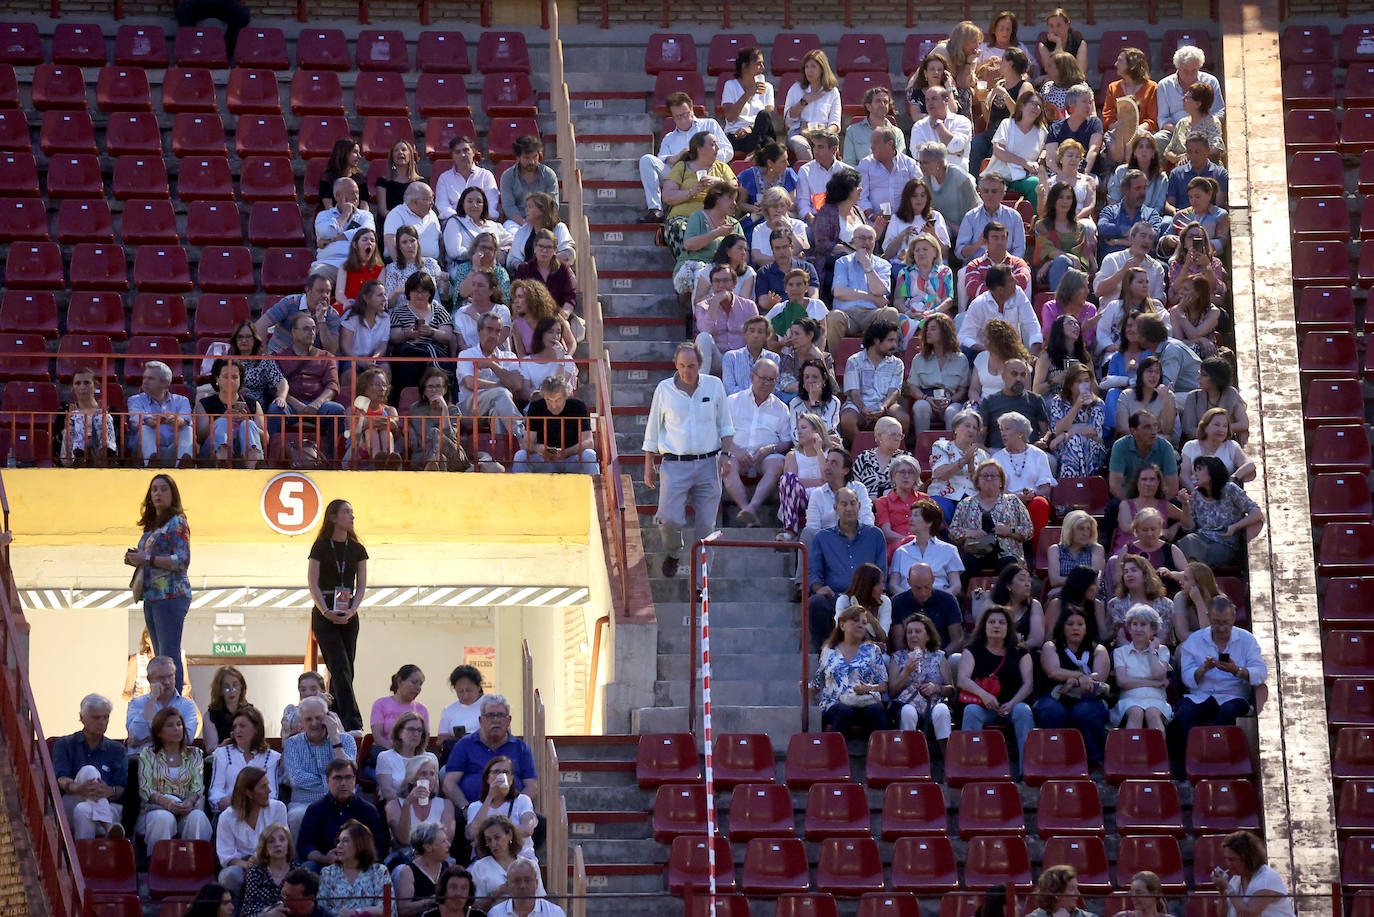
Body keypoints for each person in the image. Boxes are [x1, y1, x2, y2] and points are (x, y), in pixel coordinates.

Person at [642, 341, 737, 578]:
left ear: (700, 365)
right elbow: (653, 428)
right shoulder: (664, 389)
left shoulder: (714, 386)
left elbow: (726, 425)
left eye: (692, 366)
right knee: (668, 520)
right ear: (676, 364)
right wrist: (648, 464)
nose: (687, 371)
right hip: (674, 464)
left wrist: (726, 455)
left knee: (706, 529)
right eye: (682, 365)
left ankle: (700, 585)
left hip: (708, 463)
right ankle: (674, 552)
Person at [125, 475, 193, 692]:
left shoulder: (177, 522)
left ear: (173, 494)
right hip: (152, 595)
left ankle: (173, 698)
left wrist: (147, 558)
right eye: (154, 489)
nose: (158, 494)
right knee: (159, 655)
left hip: (171, 594)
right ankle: (163, 696)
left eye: (164, 489)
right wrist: (135, 558)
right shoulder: (152, 527)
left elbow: (182, 560)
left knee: (169, 654)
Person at [307, 499, 369, 732]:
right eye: (346, 512)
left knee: (346, 668)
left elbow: (361, 585)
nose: (351, 516)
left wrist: (352, 609)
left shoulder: (357, 549)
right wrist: (325, 610)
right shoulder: (321, 546)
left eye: (352, 512)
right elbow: (312, 582)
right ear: (333, 517)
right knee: (339, 664)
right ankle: (353, 721)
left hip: (348, 611)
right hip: (325, 610)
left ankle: (334, 715)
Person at [957, 605, 1035, 775]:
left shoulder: (1021, 651)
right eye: (992, 622)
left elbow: (1028, 685)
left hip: (1012, 706)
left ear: (1008, 627)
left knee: (1024, 711)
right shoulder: (972, 650)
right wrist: (984, 695)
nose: (996, 626)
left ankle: (1027, 771)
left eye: (1001, 622)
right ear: (984, 626)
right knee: (971, 711)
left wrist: (1011, 704)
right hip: (984, 706)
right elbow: (962, 679)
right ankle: (972, 769)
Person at [807, 488, 887, 652]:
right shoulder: (822, 537)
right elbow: (813, 572)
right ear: (835, 508)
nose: (849, 508)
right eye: (844, 504)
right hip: (835, 596)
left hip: (867, 598)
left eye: (852, 503)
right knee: (815, 603)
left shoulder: (875, 535)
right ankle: (825, 653)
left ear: (859, 506)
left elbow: (881, 571)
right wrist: (818, 588)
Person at [1178, 597, 1269, 736]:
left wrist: (1236, 670)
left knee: (1227, 712)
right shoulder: (1195, 640)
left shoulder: (1247, 639)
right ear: (1208, 617)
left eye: (1225, 622)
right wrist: (1203, 669)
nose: (1221, 628)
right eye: (1216, 622)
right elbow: (1186, 677)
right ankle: (1192, 748)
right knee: (1184, 712)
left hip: (1233, 697)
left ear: (1233, 618)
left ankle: (1216, 747)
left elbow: (1261, 673)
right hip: (1201, 696)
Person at [637, 91, 734, 223]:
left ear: (692, 110)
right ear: (672, 117)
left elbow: (728, 151)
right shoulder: (669, 138)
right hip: (679, 175)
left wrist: (702, 159)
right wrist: (676, 157)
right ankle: (656, 209)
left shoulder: (709, 125)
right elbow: (660, 160)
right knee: (647, 160)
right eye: (677, 117)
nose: (682, 120)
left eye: (685, 114)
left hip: (706, 172)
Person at [1033, 607, 1110, 765]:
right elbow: (1053, 672)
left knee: (1085, 712)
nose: (1075, 628)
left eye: (1080, 624)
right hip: (1056, 695)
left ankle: (1095, 760)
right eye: (1070, 624)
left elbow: (1100, 676)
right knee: (1051, 711)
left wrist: (1075, 681)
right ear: (1062, 627)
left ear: (1086, 627)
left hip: (1089, 696)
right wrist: (1080, 676)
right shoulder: (1051, 647)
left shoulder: (1098, 649)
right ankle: (1052, 760)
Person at [443, 694, 539, 813]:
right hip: (472, 812)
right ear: (480, 720)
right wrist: (465, 809)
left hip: (512, 813)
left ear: (509, 720)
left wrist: (516, 808)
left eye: (501, 715)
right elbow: (449, 783)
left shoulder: (521, 748)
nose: (496, 720)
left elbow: (532, 786)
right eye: (490, 715)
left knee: (540, 821)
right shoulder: (464, 745)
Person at [721, 359, 790, 525]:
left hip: (765, 457)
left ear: (776, 381)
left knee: (777, 465)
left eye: (771, 380)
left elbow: (787, 441)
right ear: (752, 377)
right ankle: (745, 508)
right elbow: (719, 432)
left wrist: (770, 449)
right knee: (725, 463)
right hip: (736, 453)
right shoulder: (732, 401)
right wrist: (735, 450)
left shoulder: (781, 408)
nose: (766, 383)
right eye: (762, 378)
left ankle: (752, 507)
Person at [271, 311, 347, 462]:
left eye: (313, 328)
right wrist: (295, 404)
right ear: (294, 332)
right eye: (306, 329)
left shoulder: (326, 357)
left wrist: (317, 403)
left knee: (337, 410)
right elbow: (274, 386)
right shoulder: (278, 356)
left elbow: (332, 385)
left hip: (318, 404)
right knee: (275, 410)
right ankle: (273, 460)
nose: (311, 332)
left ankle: (334, 461)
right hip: (290, 403)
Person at [54, 693, 126, 840]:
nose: (102, 722)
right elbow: (60, 778)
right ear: (82, 718)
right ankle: (108, 825)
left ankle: (83, 854)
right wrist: (78, 788)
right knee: (89, 771)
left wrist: (109, 791)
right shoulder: (65, 744)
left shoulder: (116, 749)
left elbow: (120, 787)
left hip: (107, 805)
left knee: (83, 810)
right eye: (96, 718)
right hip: (72, 800)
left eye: (106, 717)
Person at [809, 606, 890, 736]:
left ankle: (884, 747)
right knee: (844, 712)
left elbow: (883, 685)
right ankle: (834, 748)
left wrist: (868, 688)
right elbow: (817, 682)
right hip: (836, 703)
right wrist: (807, 689)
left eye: (864, 622)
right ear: (842, 625)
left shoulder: (873, 650)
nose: (860, 625)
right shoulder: (829, 651)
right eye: (855, 621)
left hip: (864, 702)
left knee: (876, 711)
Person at [137, 707, 210, 846]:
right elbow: (145, 788)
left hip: (187, 809)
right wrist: (167, 803)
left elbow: (197, 787)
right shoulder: (148, 754)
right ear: (159, 732)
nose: (176, 729)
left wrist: (189, 802)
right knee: (163, 818)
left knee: (198, 817)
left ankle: (195, 858)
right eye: (170, 725)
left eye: (179, 724)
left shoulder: (195, 754)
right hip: (157, 808)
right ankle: (158, 859)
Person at [283, 695, 357, 834]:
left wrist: (335, 738)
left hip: (340, 801)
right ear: (301, 721)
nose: (314, 723)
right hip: (303, 803)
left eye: (319, 718)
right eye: (308, 719)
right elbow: (296, 778)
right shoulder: (292, 744)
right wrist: (333, 781)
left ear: (328, 717)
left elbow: (347, 774)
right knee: (296, 817)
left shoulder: (346, 740)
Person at [299, 760, 389, 871]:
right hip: (325, 864)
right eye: (337, 778)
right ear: (327, 781)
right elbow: (304, 845)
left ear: (355, 780)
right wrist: (324, 858)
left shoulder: (368, 810)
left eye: (348, 777)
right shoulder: (315, 810)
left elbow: (379, 845)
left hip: (361, 865)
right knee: (308, 867)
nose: (343, 783)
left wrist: (355, 858)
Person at [950, 459, 1034, 575]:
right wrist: (969, 533)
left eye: (994, 476)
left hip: (1007, 555)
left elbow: (1029, 530)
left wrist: (1009, 530)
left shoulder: (1013, 501)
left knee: (1010, 564)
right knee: (967, 562)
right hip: (975, 552)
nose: (989, 479)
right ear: (977, 481)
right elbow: (952, 531)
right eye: (985, 476)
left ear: (1001, 482)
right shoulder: (965, 504)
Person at [826, 225, 901, 355]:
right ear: (853, 241)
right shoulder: (842, 262)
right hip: (847, 314)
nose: (866, 242)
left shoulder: (883, 264)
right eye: (862, 238)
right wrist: (871, 298)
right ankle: (834, 361)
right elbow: (839, 292)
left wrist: (867, 264)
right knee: (834, 317)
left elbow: (879, 291)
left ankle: (889, 359)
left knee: (891, 313)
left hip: (873, 314)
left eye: (870, 239)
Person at [1178, 456, 1264, 567]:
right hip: (1202, 540)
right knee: (1187, 541)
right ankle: (1193, 571)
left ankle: (1194, 571)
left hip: (1224, 543)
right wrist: (1185, 505)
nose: (1195, 474)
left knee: (1197, 549)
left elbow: (1256, 513)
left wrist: (1235, 527)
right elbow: (1188, 528)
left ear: (1212, 470)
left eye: (1199, 469)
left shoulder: (1230, 489)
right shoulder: (1196, 495)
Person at [455, 312, 526, 440]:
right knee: (502, 393)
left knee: (497, 413)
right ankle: (522, 437)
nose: (493, 335)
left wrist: (493, 365)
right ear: (479, 330)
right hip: (469, 409)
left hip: (497, 407)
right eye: (489, 329)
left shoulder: (509, 356)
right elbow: (470, 383)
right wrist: (500, 385)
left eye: (497, 331)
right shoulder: (466, 355)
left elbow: (517, 384)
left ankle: (501, 451)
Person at [217, 766, 289, 892]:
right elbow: (226, 855)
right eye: (263, 787)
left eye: (268, 785)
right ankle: (233, 904)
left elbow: (284, 844)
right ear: (249, 793)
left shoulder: (278, 808)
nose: (269, 790)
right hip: (241, 865)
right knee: (230, 875)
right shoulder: (226, 817)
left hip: (272, 861)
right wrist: (247, 865)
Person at [838, 320, 908, 444]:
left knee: (903, 418)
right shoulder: (854, 361)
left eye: (895, 341)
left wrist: (884, 406)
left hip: (886, 405)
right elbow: (854, 392)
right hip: (858, 406)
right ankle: (861, 449)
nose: (894, 345)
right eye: (890, 340)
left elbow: (894, 391)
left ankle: (892, 450)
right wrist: (863, 408)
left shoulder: (897, 363)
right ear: (876, 341)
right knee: (847, 419)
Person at [992, 411, 1056, 543]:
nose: (1003, 433)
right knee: (1005, 505)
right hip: (1008, 502)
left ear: (1020, 433)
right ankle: (1010, 550)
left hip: (1033, 500)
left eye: (1007, 429)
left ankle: (1038, 549)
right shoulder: (996, 458)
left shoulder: (1038, 455)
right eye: (1001, 430)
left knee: (1040, 503)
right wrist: (1015, 497)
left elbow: (1046, 488)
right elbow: (995, 490)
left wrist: (1034, 494)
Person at [515, 375, 596, 475]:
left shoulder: (578, 406)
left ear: (566, 396)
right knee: (520, 456)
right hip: (545, 460)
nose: (553, 406)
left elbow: (589, 442)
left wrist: (564, 453)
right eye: (548, 400)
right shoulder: (536, 406)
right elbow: (526, 443)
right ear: (543, 397)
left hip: (571, 458)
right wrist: (538, 448)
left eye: (558, 400)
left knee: (589, 455)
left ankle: (594, 484)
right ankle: (520, 485)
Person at [195, 359, 267, 468]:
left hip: (242, 454)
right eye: (225, 377)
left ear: (240, 380)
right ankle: (223, 462)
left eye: (234, 377)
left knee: (248, 424)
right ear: (217, 379)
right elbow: (200, 437)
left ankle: (252, 466)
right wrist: (221, 418)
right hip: (211, 456)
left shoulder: (252, 403)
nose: (230, 381)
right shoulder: (204, 404)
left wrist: (246, 420)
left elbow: (266, 438)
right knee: (223, 422)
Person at [209, 705, 280, 814]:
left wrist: (248, 803)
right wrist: (223, 800)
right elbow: (215, 791)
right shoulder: (223, 754)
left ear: (256, 729)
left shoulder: (271, 757)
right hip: (230, 811)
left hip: (259, 813)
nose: (237, 730)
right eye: (235, 726)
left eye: (242, 726)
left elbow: (272, 795)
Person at [1111, 604, 1172, 731]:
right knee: (1136, 712)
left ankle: (1158, 745)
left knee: (1152, 714)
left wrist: (1151, 650)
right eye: (1134, 624)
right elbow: (1122, 681)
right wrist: (1154, 684)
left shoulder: (1162, 650)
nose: (1138, 629)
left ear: (1153, 629)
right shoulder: (1120, 652)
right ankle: (1132, 745)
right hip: (1129, 698)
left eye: (1143, 624)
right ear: (1129, 627)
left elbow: (1158, 675)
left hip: (1156, 699)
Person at [856, 125, 922, 241]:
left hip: (905, 222)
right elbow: (861, 196)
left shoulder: (909, 165)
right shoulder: (866, 164)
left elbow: (920, 192)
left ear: (890, 144)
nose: (871, 147)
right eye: (871, 143)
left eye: (876, 143)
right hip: (874, 224)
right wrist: (872, 216)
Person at [673, 183, 741, 295]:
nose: (734, 203)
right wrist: (717, 233)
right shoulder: (698, 217)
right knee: (703, 274)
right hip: (696, 266)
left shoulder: (734, 224)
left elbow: (744, 252)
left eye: (735, 200)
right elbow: (689, 244)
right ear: (717, 198)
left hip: (725, 269)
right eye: (730, 198)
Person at [692, 262, 759, 374]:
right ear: (712, 285)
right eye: (717, 281)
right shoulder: (702, 306)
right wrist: (715, 302)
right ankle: (703, 381)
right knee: (703, 337)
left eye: (726, 280)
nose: (721, 285)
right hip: (717, 359)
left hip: (741, 359)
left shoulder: (749, 306)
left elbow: (757, 337)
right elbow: (706, 330)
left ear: (734, 284)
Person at [512, 228, 580, 339]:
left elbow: (570, 297)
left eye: (549, 247)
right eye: (541, 246)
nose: (544, 251)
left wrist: (563, 315)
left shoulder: (562, 269)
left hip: (556, 319)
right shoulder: (524, 269)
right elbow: (516, 298)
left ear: (555, 250)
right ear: (534, 248)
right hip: (530, 318)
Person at [909, 313, 969, 435]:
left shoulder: (960, 359)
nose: (928, 332)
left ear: (945, 332)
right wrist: (926, 398)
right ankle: (921, 443)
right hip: (927, 398)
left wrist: (950, 400)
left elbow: (963, 389)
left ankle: (953, 445)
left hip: (950, 399)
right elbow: (912, 387)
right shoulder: (919, 359)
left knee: (953, 411)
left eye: (933, 329)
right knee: (921, 407)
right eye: (927, 329)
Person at [464, 756, 537, 857]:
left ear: (511, 779)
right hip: (488, 859)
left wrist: (491, 834)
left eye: (505, 772)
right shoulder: (475, 806)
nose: (501, 776)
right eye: (496, 772)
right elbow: (473, 832)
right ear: (488, 778)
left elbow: (527, 829)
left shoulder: (522, 800)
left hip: (520, 857)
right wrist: (490, 796)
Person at [1211, 832, 1295, 917]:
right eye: (1226, 859)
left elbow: (1249, 913)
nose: (1228, 864)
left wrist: (1228, 888)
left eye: (1232, 860)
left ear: (1247, 858)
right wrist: (1222, 891)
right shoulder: (1236, 880)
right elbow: (1222, 915)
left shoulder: (1267, 878)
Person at [962, 268, 1042, 358]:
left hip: (1014, 354)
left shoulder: (1018, 293)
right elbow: (964, 337)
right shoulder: (978, 304)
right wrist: (989, 351)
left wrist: (1034, 352)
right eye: (1011, 280)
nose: (1016, 282)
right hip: (985, 356)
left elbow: (1032, 323)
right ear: (1000, 289)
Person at [318, 819, 392, 916]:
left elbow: (387, 908)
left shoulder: (380, 871)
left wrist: (355, 912)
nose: (339, 845)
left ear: (360, 844)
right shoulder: (327, 873)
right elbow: (321, 909)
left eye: (345, 841)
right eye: (338, 841)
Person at [893, 233, 955, 347]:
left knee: (938, 322)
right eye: (917, 250)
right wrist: (908, 312)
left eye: (925, 249)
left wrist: (933, 312)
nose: (921, 253)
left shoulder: (945, 272)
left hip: (937, 312)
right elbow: (898, 301)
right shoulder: (905, 273)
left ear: (935, 252)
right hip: (911, 314)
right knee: (902, 321)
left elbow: (948, 300)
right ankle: (909, 353)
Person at [927, 409, 991, 519]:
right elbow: (941, 474)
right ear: (956, 428)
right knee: (939, 511)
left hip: (971, 498)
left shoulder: (982, 455)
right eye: (967, 426)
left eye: (975, 428)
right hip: (943, 495)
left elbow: (984, 485)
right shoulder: (942, 446)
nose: (971, 430)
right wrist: (963, 461)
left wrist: (971, 466)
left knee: (983, 515)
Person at [1046, 362, 1106, 477]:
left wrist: (1067, 435)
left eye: (1086, 380)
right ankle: (1074, 483)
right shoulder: (1059, 402)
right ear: (1070, 384)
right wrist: (1077, 406)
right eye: (1078, 381)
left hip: (1092, 446)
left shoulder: (1097, 403)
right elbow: (1057, 429)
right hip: (1064, 446)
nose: (1084, 384)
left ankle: (1070, 481)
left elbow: (1094, 430)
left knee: (1075, 440)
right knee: (1074, 442)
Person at [128, 361, 194, 466]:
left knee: (187, 429)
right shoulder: (134, 400)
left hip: (173, 449)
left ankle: (183, 465)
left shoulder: (182, 400)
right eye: (144, 377)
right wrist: (153, 420)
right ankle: (151, 463)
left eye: (150, 378)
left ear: (165, 383)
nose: (145, 382)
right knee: (145, 428)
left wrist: (178, 421)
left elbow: (186, 419)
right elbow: (136, 419)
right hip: (143, 450)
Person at [776, 411, 829, 542]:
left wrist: (819, 450)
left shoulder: (830, 453)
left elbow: (829, 480)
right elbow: (790, 484)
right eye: (798, 428)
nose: (799, 432)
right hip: (801, 501)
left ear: (817, 430)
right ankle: (790, 530)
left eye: (803, 428)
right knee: (787, 479)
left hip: (824, 499)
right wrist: (819, 481)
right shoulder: (792, 455)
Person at [987, 87, 1047, 201]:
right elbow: (998, 150)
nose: (1037, 108)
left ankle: (1037, 212)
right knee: (993, 186)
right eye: (1034, 103)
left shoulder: (1042, 131)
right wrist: (1024, 163)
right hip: (1000, 174)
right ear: (1022, 105)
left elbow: (1046, 148)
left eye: (1040, 106)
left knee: (1035, 184)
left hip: (1024, 177)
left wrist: (1042, 155)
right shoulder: (1008, 124)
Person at [809, 168, 868, 283]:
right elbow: (821, 243)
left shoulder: (858, 211)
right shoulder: (826, 212)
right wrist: (845, 250)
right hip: (837, 267)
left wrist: (877, 230)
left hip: (862, 263)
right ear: (845, 190)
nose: (860, 189)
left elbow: (867, 239)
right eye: (856, 186)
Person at [1035, 183, 1097, 291]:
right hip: (1046, 272)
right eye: (1060, 197)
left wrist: (1055, 260)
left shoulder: (1079, 228)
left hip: (1074, 270)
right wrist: (1053, 262)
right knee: (1061, 261)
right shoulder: (1042, 225)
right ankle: (1057, 300)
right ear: (1053, 199)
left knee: (1063, 262)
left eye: (1068, 198)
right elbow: (1047, 250)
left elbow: (1080, 258)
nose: (1065, 201)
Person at [384, 754, 454, 850]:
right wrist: (407, 804)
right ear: (412, 779)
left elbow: (446, 840)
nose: (429, 778)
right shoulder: (394, 805)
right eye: (423, 774)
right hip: (406, 856)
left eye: (432, 774)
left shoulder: (446, 805)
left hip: (436, 855)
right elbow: (403, 839)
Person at [889, 559, 964, 650]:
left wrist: (942, 656)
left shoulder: (948, 600)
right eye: (918, 588)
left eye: (927, 587)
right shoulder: (898, 602)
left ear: (933, 580)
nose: (923, 592)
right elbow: (898, 642)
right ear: (909, 582)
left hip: (943, 653)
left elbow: (957, 640)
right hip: (908, 655)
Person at [979, 357, 1049, 452]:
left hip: (1029, 451)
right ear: (1003, 376)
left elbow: (1045, 431)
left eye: (1022, 375)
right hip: (998, 452)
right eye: (1014, 374)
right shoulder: (990, 401)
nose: (1019, 378)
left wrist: (1043, 441)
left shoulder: (1036, 399)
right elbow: (981, 434)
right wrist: (983, 450)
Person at [782, 49, 841, 160]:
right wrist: (804, 101)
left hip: (824, 132)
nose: (809, 71)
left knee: (825, 147)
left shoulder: (832, 92)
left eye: (813, 67)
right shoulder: (796, 88)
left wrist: (824, 135)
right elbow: (788, 120)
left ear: (822, 69)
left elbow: (835, 123)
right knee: (802, 146)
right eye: (807, 67)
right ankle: (808, 171)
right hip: (799, 132)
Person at [916, 142, 979, 244]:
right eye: (920, 162)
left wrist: (964, 231)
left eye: (925, 163)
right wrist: (952, 226)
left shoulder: (959, 177)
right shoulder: (924, 181)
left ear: (938, 163)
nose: (921, 166)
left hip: (967, 229)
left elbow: (975, 207)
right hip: (943, 227)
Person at [719, 47, 778, 155]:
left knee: (764, 115)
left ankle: (754, 152)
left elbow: (766, 119)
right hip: (738, 135)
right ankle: (757, 153)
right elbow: (730, 117)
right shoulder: (731, 85)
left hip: (758, 133)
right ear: (744, 65)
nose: (763, 67)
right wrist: (748, 94)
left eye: (763, 63)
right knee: (769, 144)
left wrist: (750, 129)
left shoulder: (767, 87)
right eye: (758, 64)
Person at [957, 174, 1027, 264]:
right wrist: (977, 245)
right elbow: (960, 253)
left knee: (1025, 270)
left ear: (1003, 194)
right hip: (977, 267)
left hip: (1007, 266)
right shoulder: (970, 217)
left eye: (994, 191)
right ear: (980, 193)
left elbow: (1019, 249)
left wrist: (1007, 266)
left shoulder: (1014, 217)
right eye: (986, 191)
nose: (989, 195)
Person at [1182, 355, 1249, 444]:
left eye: (1204, 375)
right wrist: (1212, 433)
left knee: (1244, 434)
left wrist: (1220, 431)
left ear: (1216, 378)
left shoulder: (1230, 393)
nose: (1198, 378)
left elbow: (1243, 423)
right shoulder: (1193, 397)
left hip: (1225, 442)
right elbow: (1189, 430)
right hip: (1201, 444)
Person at [1098, 170, 1164, 260]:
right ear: (1125, 190)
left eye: (1145, 188)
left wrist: (1119, 241)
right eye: (1138, 188)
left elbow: (1154, 235)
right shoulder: (1110, 211)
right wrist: (1128, 231)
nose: (1143, 193)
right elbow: (1102, 227)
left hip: (1143, 262)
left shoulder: (1151, 214)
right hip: (1115, 261)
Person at [1096, 222, 1168, 303]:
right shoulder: (1113, 259)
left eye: (1150, 238)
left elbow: (1159, 299)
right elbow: (1098, 291)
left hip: (1143, 310)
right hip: (1113, 309)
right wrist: (1123, 271)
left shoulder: (1156, 268)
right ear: (1132, 238)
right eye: (1143, 236)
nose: (1147, 241)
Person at [1182, 408, 1255, 489]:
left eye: (1225, 426)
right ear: (1205, 427)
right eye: (1217, 425)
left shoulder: (1231, 446)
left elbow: (1249, 465)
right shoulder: (1190, 446)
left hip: (1224, 492)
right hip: (1196, 491)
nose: (1221, 429)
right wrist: (1196, 493)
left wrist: (1233, 478)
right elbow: (1184, 476)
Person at [315, 178, 376, 274]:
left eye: (357, 193)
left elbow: (367, 234)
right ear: (337, 196)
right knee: (318, 275)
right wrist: (345, 215)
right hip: (328, 263)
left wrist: (333, 239)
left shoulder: (365, 215)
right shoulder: (324, 215)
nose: (356, 197)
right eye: (352, 193)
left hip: (357, 262)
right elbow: (326, 233)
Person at [443, 187, 512, 269]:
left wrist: (501, 251)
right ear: (462, 203)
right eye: (470, 201)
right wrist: (483, 254)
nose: (474, 205)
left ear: (484, 205)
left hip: (492, 269)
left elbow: (514, 242)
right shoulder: (455, 222)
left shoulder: (494, 225)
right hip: (465, 268)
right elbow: (454, 252)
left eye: (479, 202)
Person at [435, 136, 499, 223]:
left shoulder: (486, 176)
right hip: (455, 222)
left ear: (474, 152)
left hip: (482, 221)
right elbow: (443, 207)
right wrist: (463, 220)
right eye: (457, 152)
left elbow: (491, 205)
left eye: (466, 150)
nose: (462, 155)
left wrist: (476, 219)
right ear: (452, 156)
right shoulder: (444, 178)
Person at [61, 366, 117, 466]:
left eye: (87, 383)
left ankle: (107, 456)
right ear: (73, 387)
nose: (82, 387)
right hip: (71, 455)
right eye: (78, 383)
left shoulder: (110, 410)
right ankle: (78, 457)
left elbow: (117, 435)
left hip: (99, 453)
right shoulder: (64, 410)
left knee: (104, 417)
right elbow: (56, 439)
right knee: (74, 418)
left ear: (95, 386)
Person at [394, 821, 453, 916]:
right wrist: (430, 901)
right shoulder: (408, 872)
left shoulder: (449, 869)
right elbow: (402, 909)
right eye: (443, 842)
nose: (449, 845)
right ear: (428, 847)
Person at [874, 454, 928, 558]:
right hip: (896, 549)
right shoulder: (883, 502)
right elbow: (887, 533)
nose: (906, 476)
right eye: (902, 472)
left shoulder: (925, 500)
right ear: (893, 476)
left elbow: (930, 529)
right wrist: (910, 541)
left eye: (911, 472)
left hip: (922, 548)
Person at [886, 180, 952, 265]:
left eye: (923, 195)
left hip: (932, 266)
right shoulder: (896, 219)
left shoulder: (935, 216)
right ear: (907, 198)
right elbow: (887, 255)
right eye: (914, 196)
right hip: (904, 266)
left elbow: (945, 254)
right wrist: (902, 235)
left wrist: (933, 234)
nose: (919, 199)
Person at [1162, 178, 1229, 260]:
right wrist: (1168, 240)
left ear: (1209, 194)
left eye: (1197, 197)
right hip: (1179, 261)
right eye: (1190, 197)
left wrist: (1197, 244)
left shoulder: (1220, 215)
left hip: (1207, 261)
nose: (1193, 201)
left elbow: (1222, 243)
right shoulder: (1181, 215)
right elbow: (1163, 240)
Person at [1115, 355, 1177, 443]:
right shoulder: (1126, 395)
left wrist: (1165, 400)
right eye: (1149, 371)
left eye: (1157, 372)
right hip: (1132, 441)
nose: (1153, 375)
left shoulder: (1168, 395)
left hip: (1157, 442)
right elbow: (1123, 428)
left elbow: (1168, 430)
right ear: (1141, 374)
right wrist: (1145, 437)